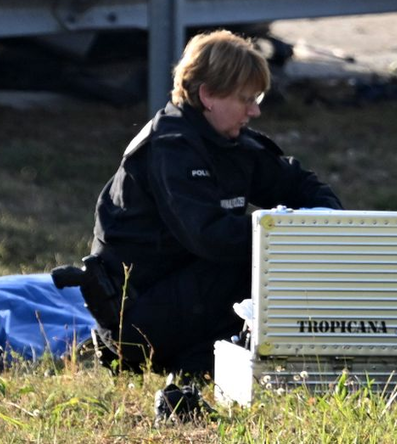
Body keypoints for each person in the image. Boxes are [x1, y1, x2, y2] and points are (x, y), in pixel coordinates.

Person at [86, 30, 342, 380]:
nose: (255, 110)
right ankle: (198, 365)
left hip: (180, 292)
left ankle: (226, 360)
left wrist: (325, 219)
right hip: (137, 318)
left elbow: (299, 185)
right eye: (245, 99)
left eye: (257, 98)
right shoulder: (171, 150)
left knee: (270, 250)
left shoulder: (228, 140)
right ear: (207, 95)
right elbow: (212, 237)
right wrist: (290, 232)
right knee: (256, 261)